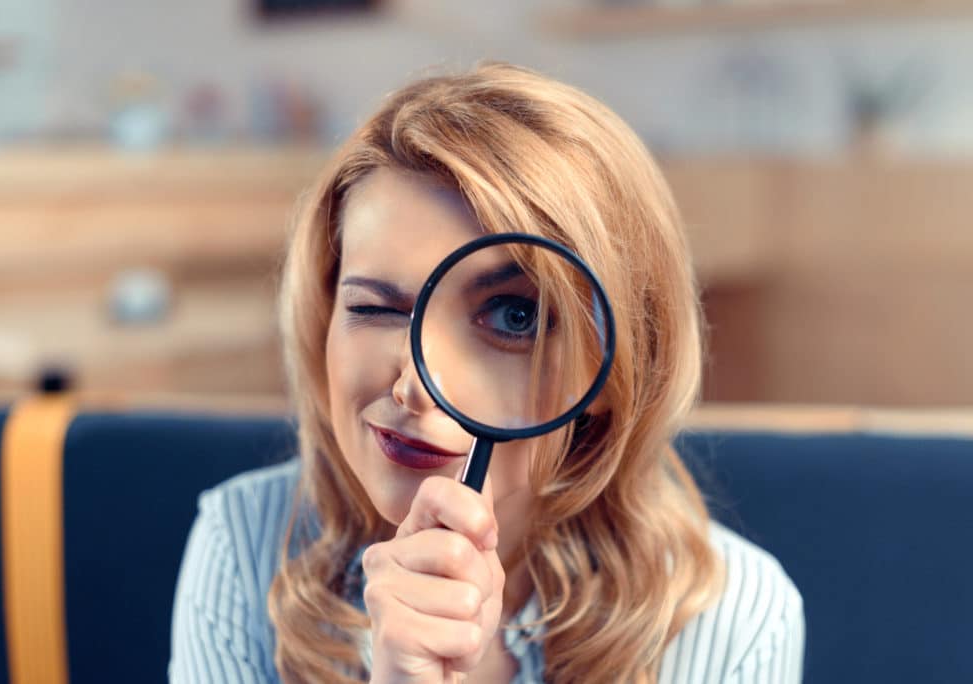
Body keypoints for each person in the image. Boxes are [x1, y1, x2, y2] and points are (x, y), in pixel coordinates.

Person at [169, 62, 804, 684]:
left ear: (614, 376)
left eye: (515, 316)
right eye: (373, 307)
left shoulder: (733, 618)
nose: (413, 387)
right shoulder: (246, 547)